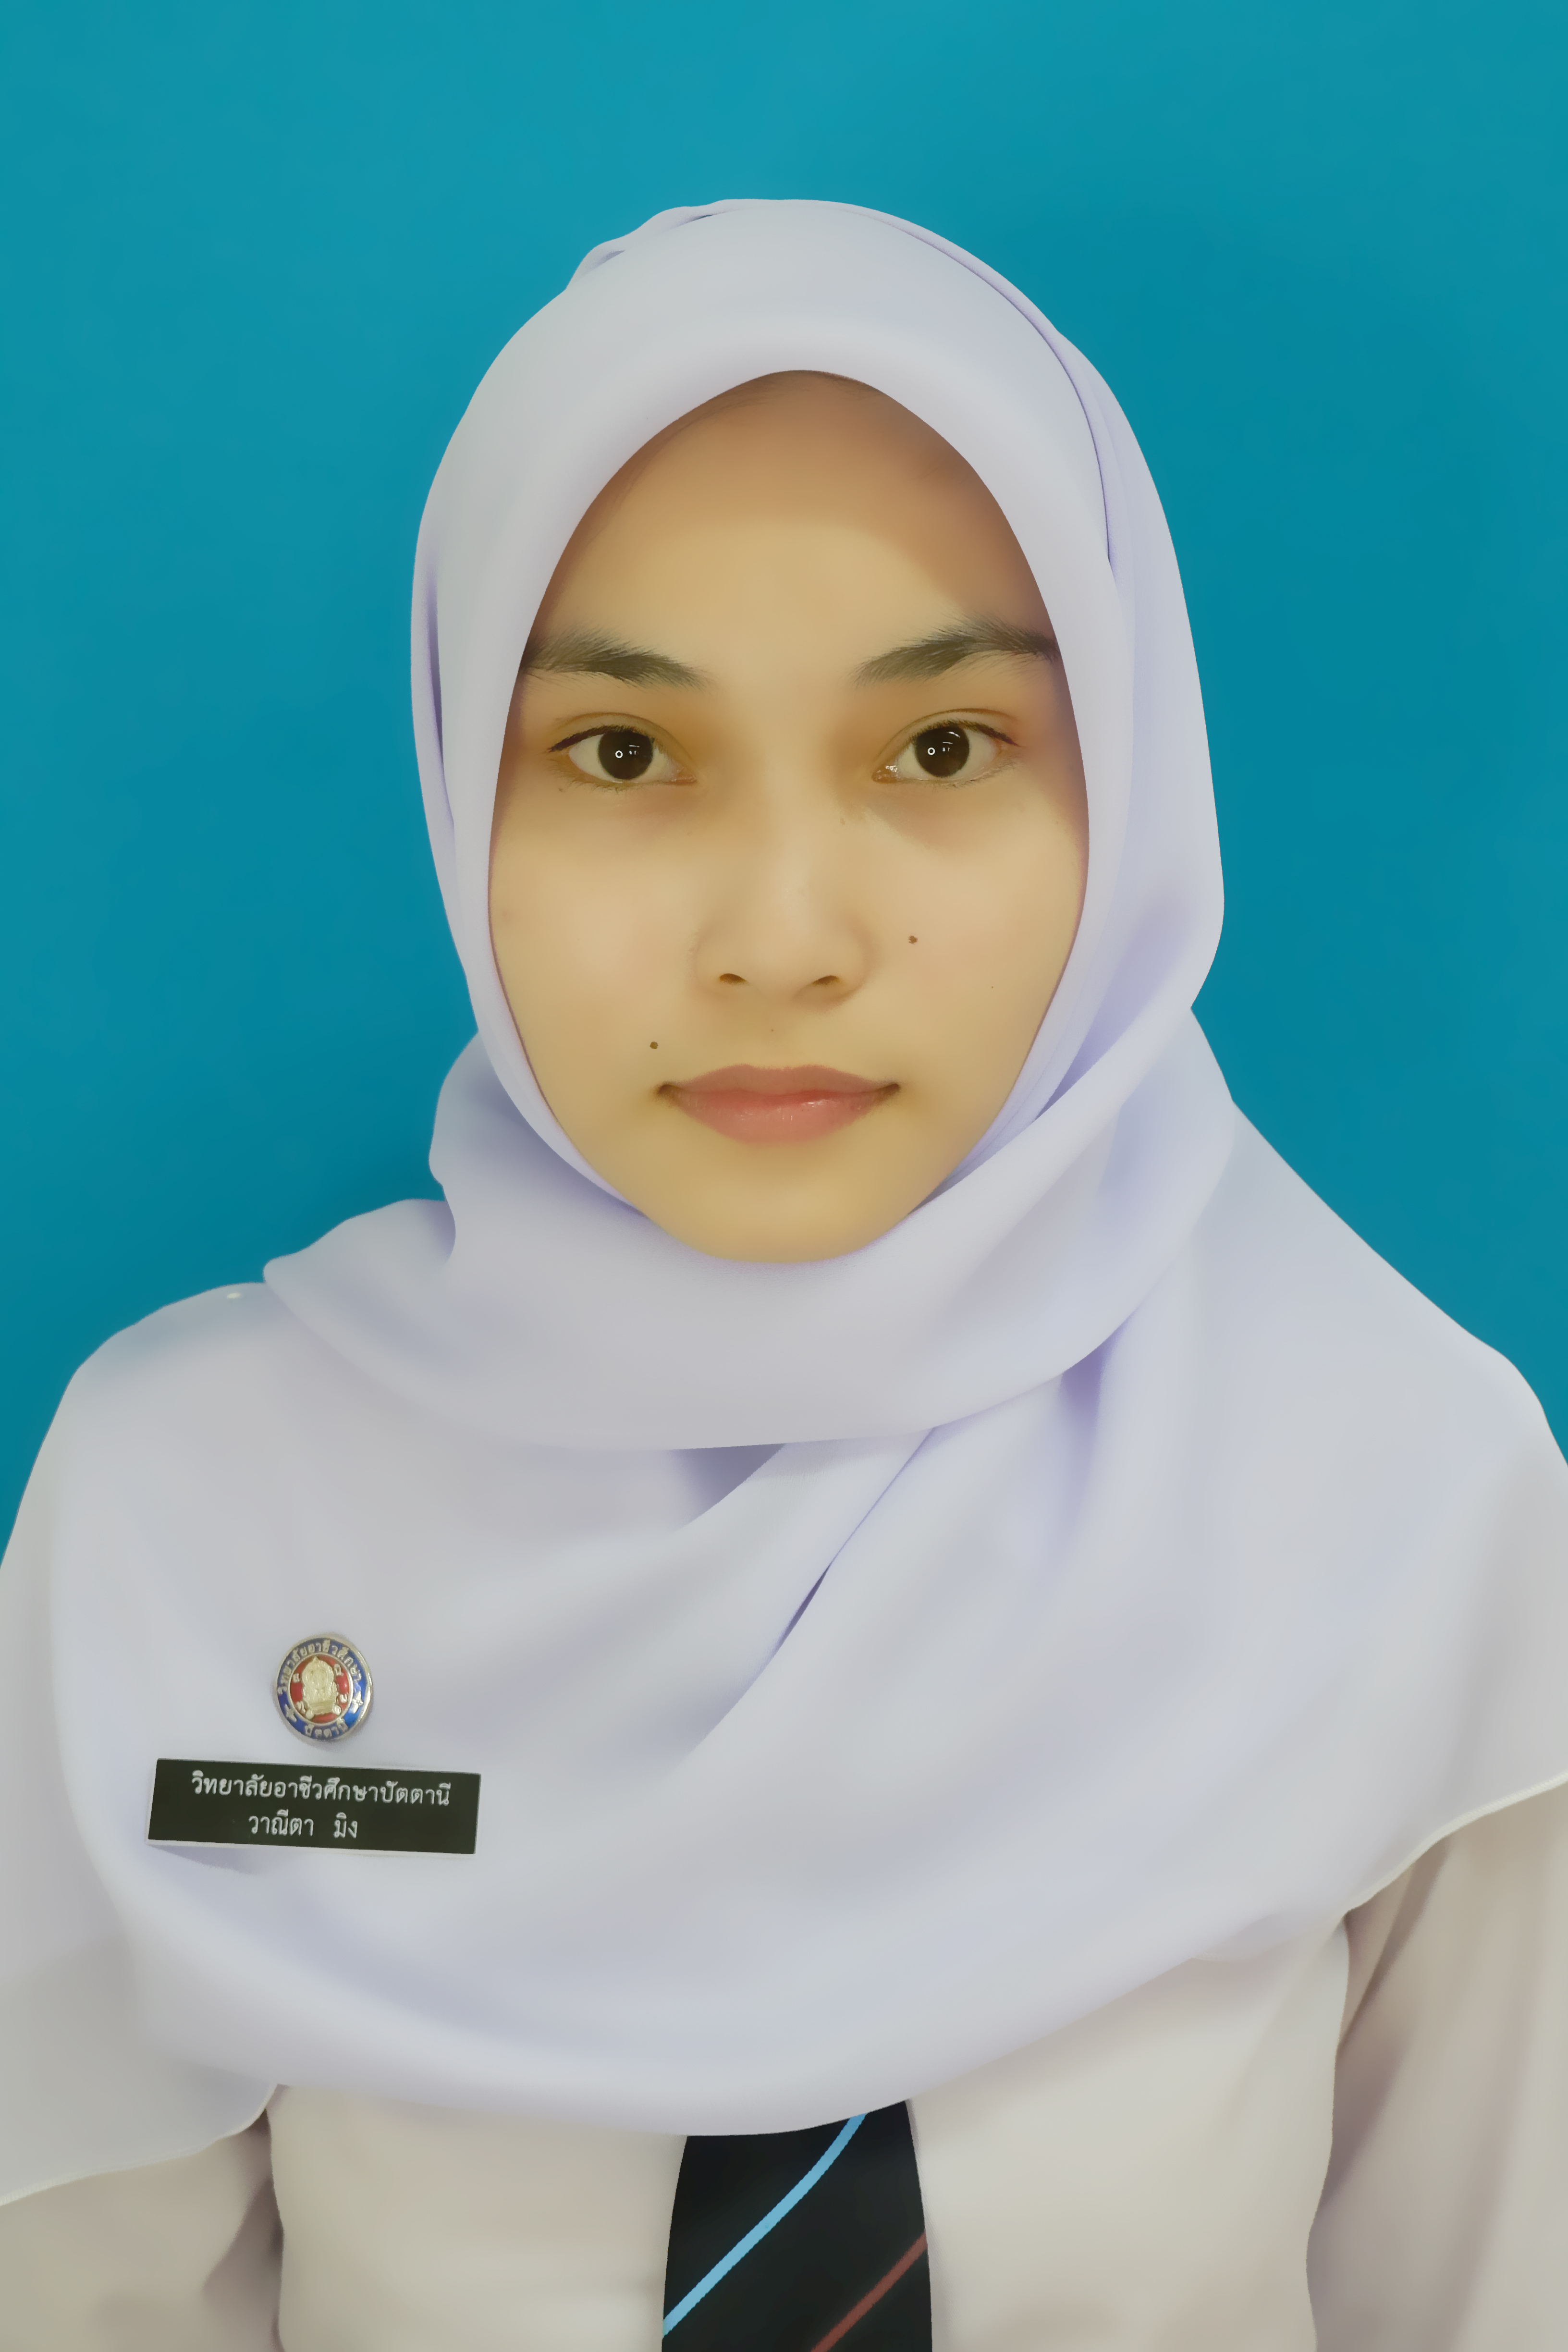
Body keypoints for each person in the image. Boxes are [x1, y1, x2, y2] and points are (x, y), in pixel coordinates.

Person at [2, 198, 1566, 2350]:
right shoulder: (186, 1520)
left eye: (943, 749)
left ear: (1127, 790)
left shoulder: (1404, 1503)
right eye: (622, 754)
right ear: (466, 791)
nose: (781, 939)